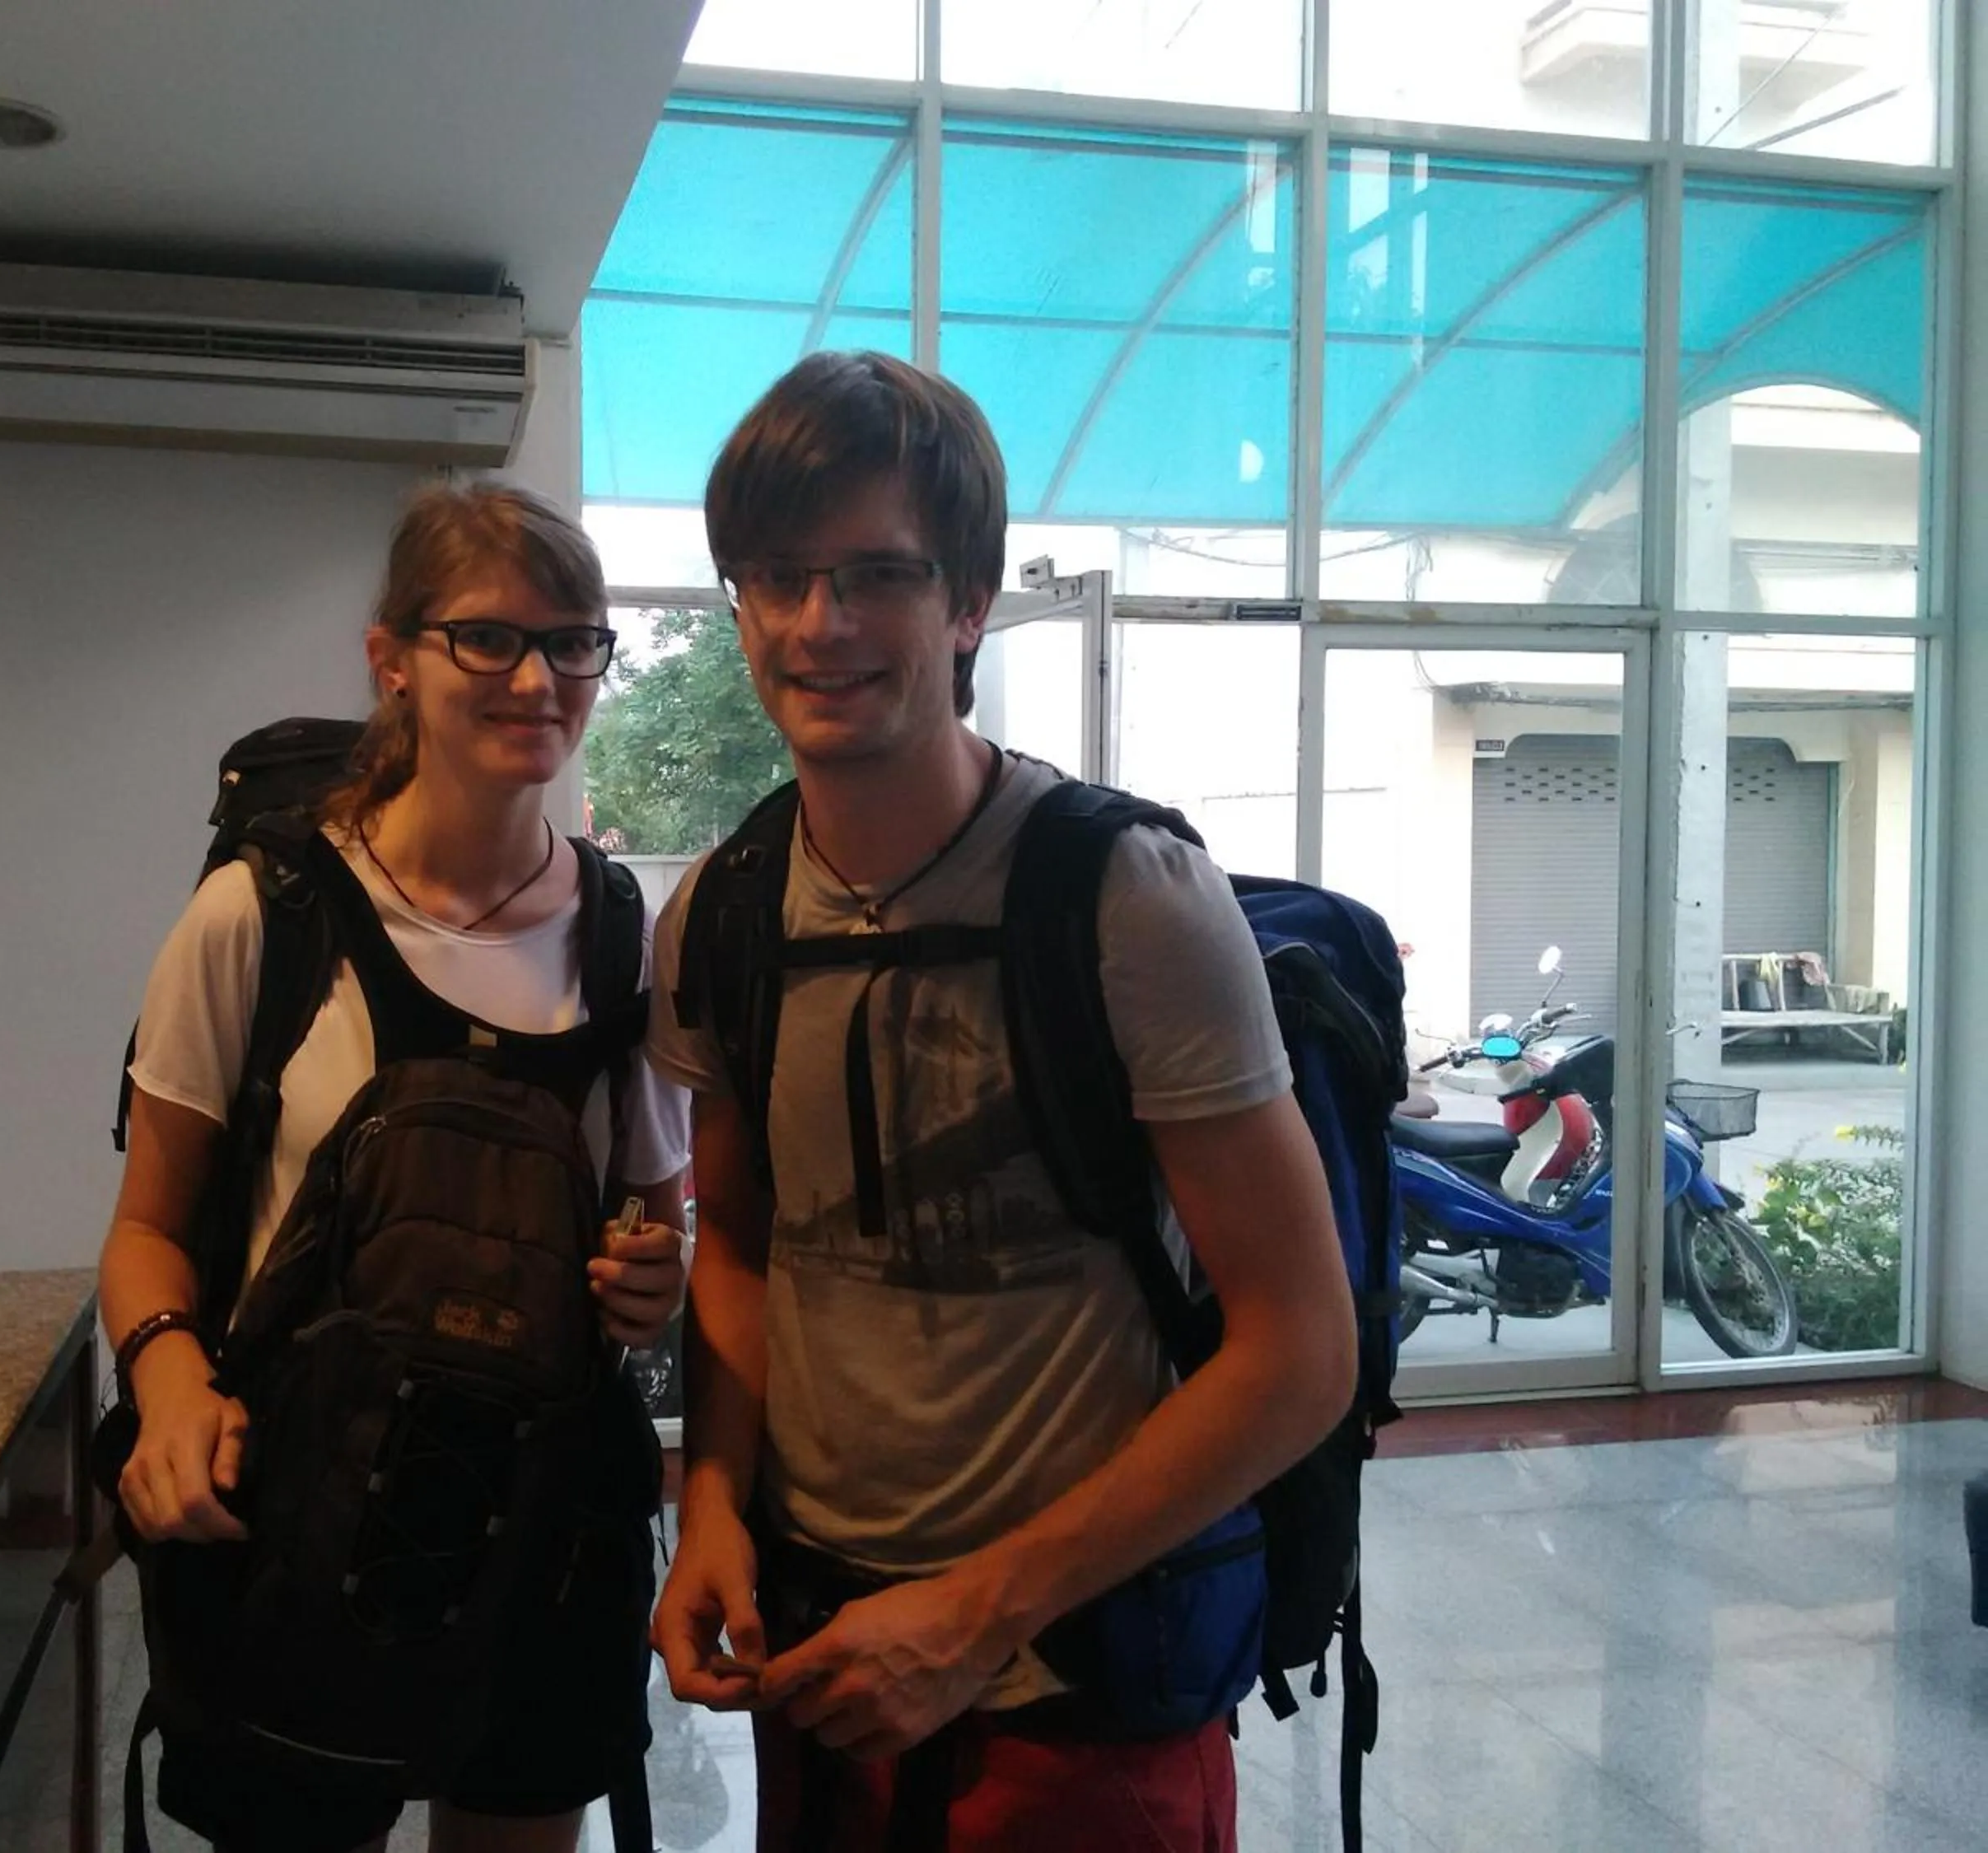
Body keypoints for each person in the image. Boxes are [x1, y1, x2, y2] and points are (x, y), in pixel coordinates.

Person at [646, 352, 1359, 1850]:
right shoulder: (719, 913)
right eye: (778, 574)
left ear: (969, 604)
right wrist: (710, 1497)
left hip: (1080, 1679)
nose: (819, 622)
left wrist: (975, 1613)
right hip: (824, 1656)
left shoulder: (1127, 898)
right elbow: (742, 1248)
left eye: (878, 575)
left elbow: (1302, 1348)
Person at [99, 479, 693, 1853]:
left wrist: (649, 1280)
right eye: (488, 637)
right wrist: (174, 1379)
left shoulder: (620, 936)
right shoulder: (266, 912)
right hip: (302, 1511)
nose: (537, 676)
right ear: (394, 660)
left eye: (575, 641)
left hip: (545, 1533)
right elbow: (146, 1231)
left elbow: (656, 1227)